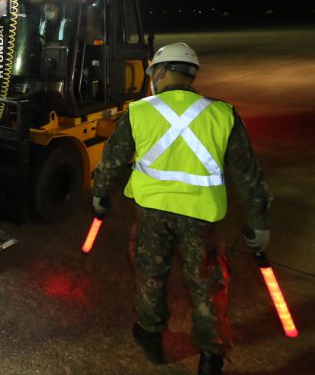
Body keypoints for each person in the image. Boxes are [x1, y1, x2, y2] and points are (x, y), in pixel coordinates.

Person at [91, 42, 271, 375]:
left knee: (150, 272)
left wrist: (100, 194)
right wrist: (258, 222)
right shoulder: (223, 114)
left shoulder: (139, 112)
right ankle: (211, 355)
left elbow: (113, 160)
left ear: (160, 72)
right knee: (206, 281)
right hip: (201, 215)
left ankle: (150, 336)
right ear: (191, 74)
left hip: (152, 211)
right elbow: (248, 175)